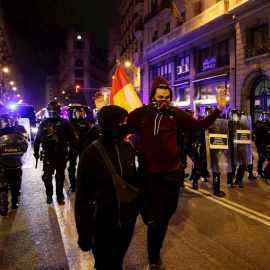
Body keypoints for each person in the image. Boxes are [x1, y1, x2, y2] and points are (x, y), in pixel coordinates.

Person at [94, 76, 228, 269]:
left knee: (164, 218)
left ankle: (154, 253)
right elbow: (116, 131)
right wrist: (102, 110)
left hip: (172, 175)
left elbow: (199, 125)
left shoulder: (175, 113)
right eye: (159, 97)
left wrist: (219, 108)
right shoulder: (141, 114)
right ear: (152, 97)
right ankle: (153, 259)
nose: (163, 101)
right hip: (148, 176)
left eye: (166, 97)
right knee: (153, 219)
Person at [75, 105, 138, 270]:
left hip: (127, 224)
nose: (126, 125)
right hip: (102, 226)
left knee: (117, 263)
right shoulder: (91, 153)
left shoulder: (127, 149)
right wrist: (84, 233)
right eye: (122, 121)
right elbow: (83, 197)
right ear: (111, 124)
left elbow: (134, 184)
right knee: (105, 266)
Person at [34, 101, 77, 205]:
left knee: (60, 176)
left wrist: (74, 149)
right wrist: (35, 152)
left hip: (61, 153)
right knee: (46, 176)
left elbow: (72, 137)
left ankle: (59, 196)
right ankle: (49, 194)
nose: (52, 113)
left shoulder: (65, 123)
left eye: (54, 111)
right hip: (48, 154)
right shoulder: (44, 123)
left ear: (58, 111)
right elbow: (37, 139)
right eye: (50, 111)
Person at [0, 114, 29, 216]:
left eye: (7, 121)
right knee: (2, 184)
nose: (6, 124)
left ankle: (14, 200)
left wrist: (19, 151)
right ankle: (3, 206)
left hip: (15, 161)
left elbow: (25, 144)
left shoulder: (18, 132)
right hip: (1, 162)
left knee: (15, 183)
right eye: (3, 121)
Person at [67, 107, 91, 192]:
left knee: (83, 166)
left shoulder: (86, 123)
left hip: (83, 147)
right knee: (71, 167)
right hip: (73, 147)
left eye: (81, 113)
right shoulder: (70, 123)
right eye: (78, 113)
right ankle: (73, 184)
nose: (80, 115)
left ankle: (82, 184)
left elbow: (90, 135)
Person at [255, 111, 270, 184]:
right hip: (263, 146)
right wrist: (259, 147)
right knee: (261, 159)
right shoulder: (261, 126)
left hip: (268, 146)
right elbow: (257, 138)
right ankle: (260, 172)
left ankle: (264, 171)